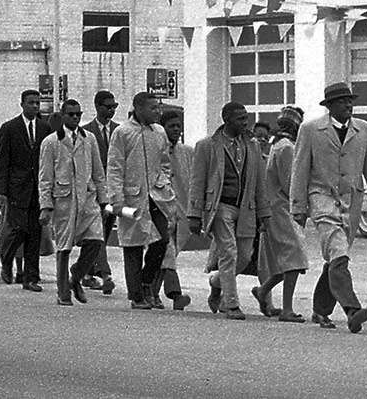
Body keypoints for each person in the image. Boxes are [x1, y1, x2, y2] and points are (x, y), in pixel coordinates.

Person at [290, 82, 367, 333]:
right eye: (342, 101)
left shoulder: (364, 129)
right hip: (321, 198)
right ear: (330, 106)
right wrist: (298, 207)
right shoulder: (310, 129)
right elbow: (299, 169)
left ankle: (321, 310)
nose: (348, 105)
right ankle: (352, 310)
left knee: (336, 257)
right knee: (338, 252)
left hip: (351, 202)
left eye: (350, 101)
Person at [187, 102, 266, 320]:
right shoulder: (207, 145)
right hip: (220, 207)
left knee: (244, 256)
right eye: (240, 119)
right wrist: (194, 214)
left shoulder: (252, 145)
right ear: (227, 120)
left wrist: (263, 213)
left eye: (246, 118)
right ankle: (231, 304)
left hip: (246, 208)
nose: (245, 123)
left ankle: (216, 283)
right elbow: (197, 181)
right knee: (228, 253)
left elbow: (260, 182)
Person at [106, 92, 174, 310]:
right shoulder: (122, 132)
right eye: (153, 108)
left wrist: (164, 183)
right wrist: (117, 199)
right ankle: (137, 296)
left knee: (162, 240)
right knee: (133, 246)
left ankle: (146, 282)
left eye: (158, 107)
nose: (158, 112)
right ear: (139, 108)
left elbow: (165, 162)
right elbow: (115, 168)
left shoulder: (159, 132)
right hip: (132, 198)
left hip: (156, 197)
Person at [38, 99, 106, 306]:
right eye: (71, 114)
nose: (75, 118)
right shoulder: (51, 142)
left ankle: (76, 276)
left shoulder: (89, 139)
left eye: (78, 114)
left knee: (96, 240)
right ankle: (63, 293)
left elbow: (98, 172)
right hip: (64, 201)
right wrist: (45, 206)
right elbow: (45, 177)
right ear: (63, 116)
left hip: (88, 200)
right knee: (64, 247)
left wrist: (104, 200)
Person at [253, 115, 308, 323]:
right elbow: (290, 183)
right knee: (294, 257)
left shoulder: (279, 145)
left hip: (277, 207)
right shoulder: (287, 148)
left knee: (290, 259)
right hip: (283, 209)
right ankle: (287, 309)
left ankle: (263, 290)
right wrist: (302, 205)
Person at [0, 89, 46, 291]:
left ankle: (31, 278)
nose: (35, 106)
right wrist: (1, 191)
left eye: (37, 103)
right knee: (18, 229)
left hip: (38, 189)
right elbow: (2, 162)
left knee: (35, 234)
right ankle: (7, 258)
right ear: (22, 104)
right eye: (31, 102)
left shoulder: (45, 128)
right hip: (16, 189)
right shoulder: (9, 128)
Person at [81, 90, 120, 293]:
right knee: (98, 233)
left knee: (102, 232)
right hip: (93, 192)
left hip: (113, 192)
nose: (112, 110)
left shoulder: (120, 131)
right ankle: (105, 274)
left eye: (115, 106)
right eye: (108, 106)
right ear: (97, 107)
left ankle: (85, 272)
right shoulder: (85, 132)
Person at [155, 108, 192, 310]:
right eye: (171, 126)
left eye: (178, 126)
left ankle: (151, 293)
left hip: (181, 213)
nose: (176, 130)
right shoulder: (156, 150)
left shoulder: (187, 152)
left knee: (165, 256)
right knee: (167, 253)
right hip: (161, 210)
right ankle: (175, 294)